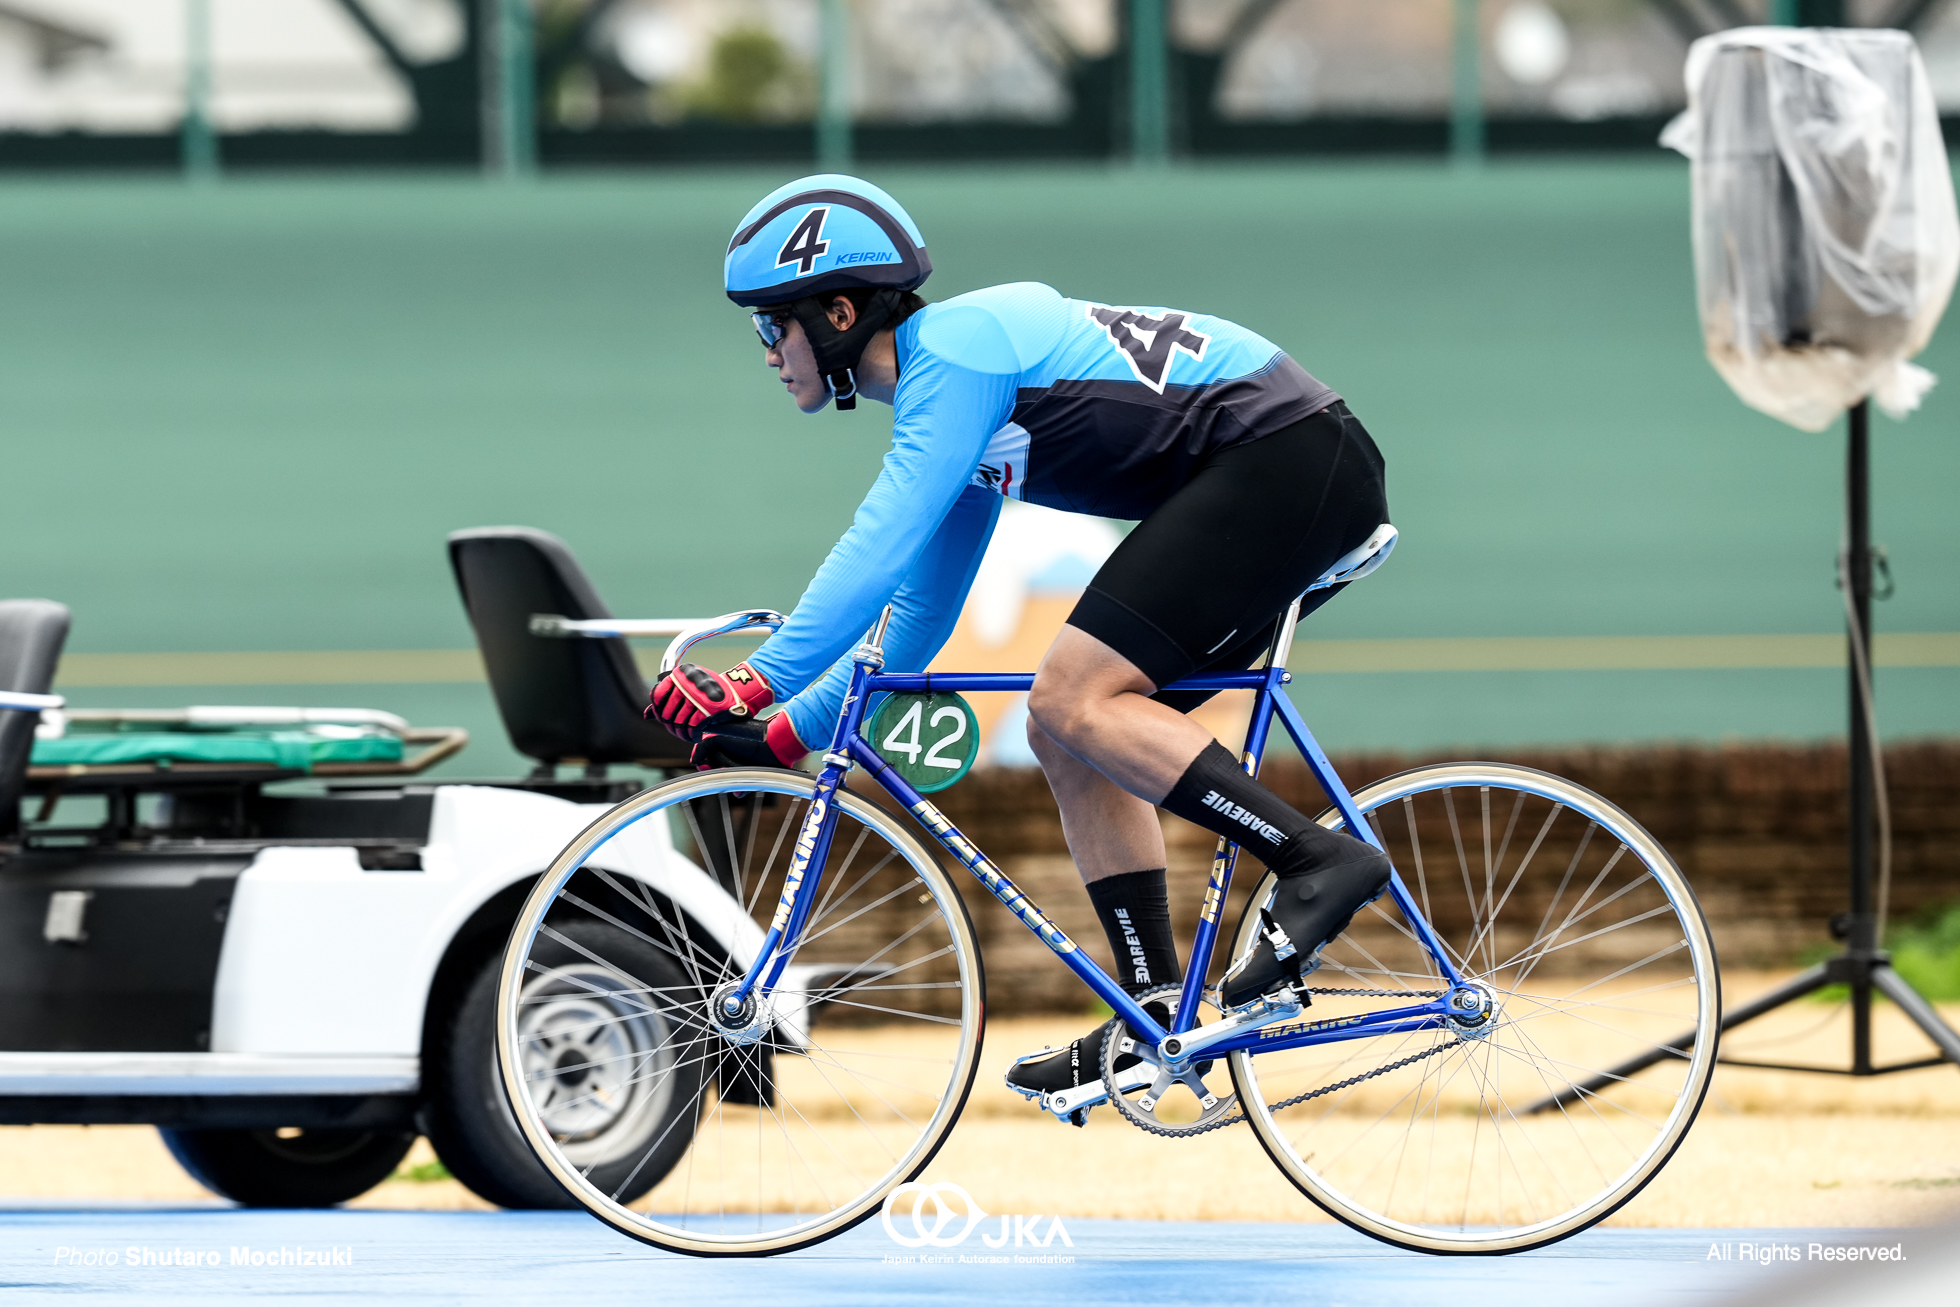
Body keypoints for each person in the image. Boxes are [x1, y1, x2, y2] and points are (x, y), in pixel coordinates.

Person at [648, 174, 1394, 1108]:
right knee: (1067, 727)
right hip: (1284, 469)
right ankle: (1154, 1004)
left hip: (1284, 459)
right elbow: (915, 615)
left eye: (771, 327)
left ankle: (1320, 860)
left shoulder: (958, 352)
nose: (766, 354)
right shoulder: (961, 410)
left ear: (836, 312)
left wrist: (757, 680)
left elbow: (876, 543)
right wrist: (787, 734)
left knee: (1069, 695)